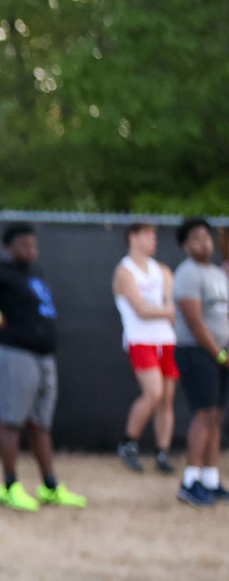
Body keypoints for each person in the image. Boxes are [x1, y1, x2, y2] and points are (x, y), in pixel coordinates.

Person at [0, 224, 87, 511]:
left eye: (34, 244)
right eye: (24, 244)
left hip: (43, 355)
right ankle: (9, 486)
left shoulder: (35, 273)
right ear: (9, 247)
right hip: (14, 353)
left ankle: (50, 486)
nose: (31, 249)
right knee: (12, 420)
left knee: (41, 424)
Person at [111, 221, 178, 474]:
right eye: (148, 235)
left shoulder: (162, 271)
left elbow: (171, 308)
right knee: (153, 392)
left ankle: (162, 451)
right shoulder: (124, 272)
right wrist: (166, 311)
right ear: (133, 237)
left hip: (166, 340)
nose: (153, 240)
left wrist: (163, 311)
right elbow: (141, 310)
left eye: (154, 236)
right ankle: (129, 442)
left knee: (166, 398)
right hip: (140, 340)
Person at [171, 216, 228, 507]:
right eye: (196, 238)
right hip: (196, 352)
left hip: (220, 354)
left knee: (216, 416)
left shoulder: (217, 273)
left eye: (206, 237)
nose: (204, 242)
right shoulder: (187, 274)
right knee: (204, 415)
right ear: (185, 245)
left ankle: (210, 479)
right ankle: (190, 481)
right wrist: (219, 354)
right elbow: (195, 323)